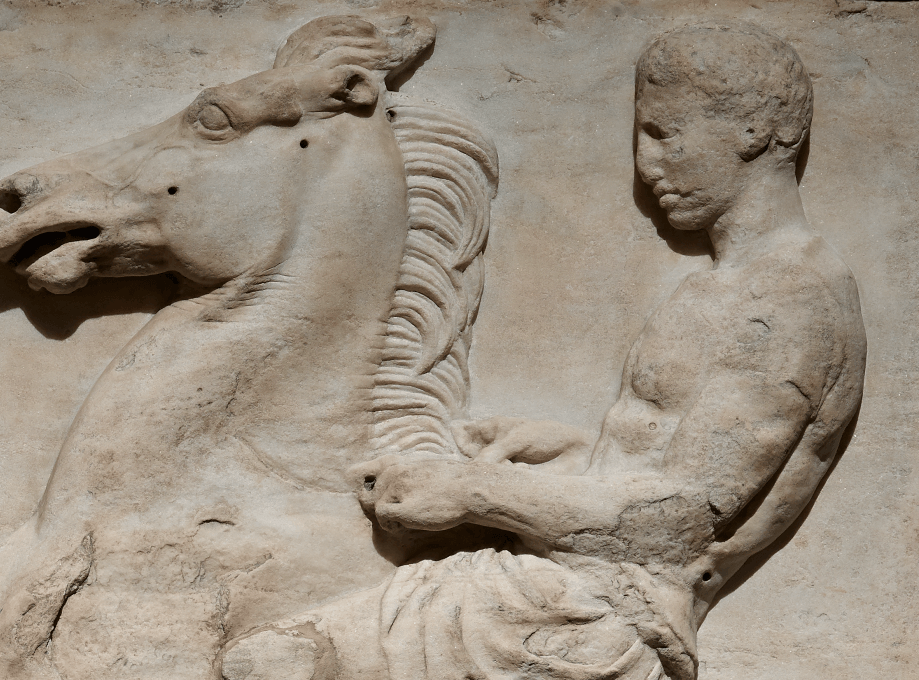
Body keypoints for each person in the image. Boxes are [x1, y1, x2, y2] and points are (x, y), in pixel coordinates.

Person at [222, 21, 864, 680]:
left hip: (594, 623)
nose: (646, 165)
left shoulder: (789, 303)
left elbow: (675, 521)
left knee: (271, 662)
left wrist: (475, 492)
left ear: (752, 131)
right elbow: (653, 460)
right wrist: (551, 448)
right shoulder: (731, 286)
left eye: (664, 135)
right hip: (551, 582)